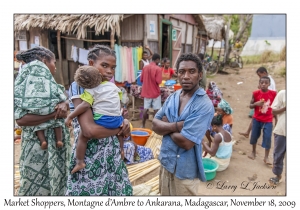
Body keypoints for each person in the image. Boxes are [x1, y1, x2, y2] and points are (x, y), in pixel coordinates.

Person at [66, 44, 132, 196]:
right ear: (91, 64)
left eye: (113, 67)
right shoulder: (79, 86)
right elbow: (89, 131)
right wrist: (119, 128)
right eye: (104, 65)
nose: (109, 71)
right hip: (90, 154)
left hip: (111, 151)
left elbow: (117, 112)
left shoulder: (109, 86)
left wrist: (125, 122)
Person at [152, 53, 214, 195]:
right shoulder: (173, 96)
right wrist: (178, 126)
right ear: (177, 74)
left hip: (185, 171)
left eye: (191, 71)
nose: (186, 76)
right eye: (182, 71)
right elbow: (155, 125)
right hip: (166, 163)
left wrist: (167, 126)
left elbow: (186, 142)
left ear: (200, 75)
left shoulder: (203, 105)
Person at [14, 46, 71, 195]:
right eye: (54, 63)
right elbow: (21, 120)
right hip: (36, 147)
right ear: (45, 62)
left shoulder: (50, 85)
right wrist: (53, 115)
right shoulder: (23, 86)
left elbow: (63, 99)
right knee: (35, 188)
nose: (56, 68)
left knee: (58, 186)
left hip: (56, 145)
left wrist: (64, 104)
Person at [65, 66, 125, 174]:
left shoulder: (90, 91)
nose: (109, 70)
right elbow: (119, 98)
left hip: (103, 120)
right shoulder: (112, 85)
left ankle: (80, 162)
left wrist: (70, 116)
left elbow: (85, 106)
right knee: (121, 130)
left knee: (83, 136)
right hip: (118, 120)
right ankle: (121, 148)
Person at [239, 67, 276, 138]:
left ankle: (252, 134)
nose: (259, 77)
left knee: (259, 119)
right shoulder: (268, 80)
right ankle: (248, 132)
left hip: (265, 103)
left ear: (264, 73)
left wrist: (260, 89)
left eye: (260, 75)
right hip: (265, 102)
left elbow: (268, 92)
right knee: (255, 117)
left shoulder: (268, 81)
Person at [248, 76, 277, 165]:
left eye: (266, 83)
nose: (263, 84)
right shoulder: (255, 93)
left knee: (268, 138)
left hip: (268, 120)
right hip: (257, 119)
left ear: (269, 84)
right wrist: (256, 104)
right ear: (259, 84)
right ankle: (253, 152)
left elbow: (275, 106)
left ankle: (266, 157)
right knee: (254, 136)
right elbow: (250, 105)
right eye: (262, 83)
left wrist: (276, 119)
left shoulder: (273, 94)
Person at [140, 53, 162, 128]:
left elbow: (141, 79)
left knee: (145, 109)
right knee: (156, 110)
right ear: (157, 60)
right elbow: (158, 81)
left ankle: (142, 125)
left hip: (146, 91)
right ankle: (155, 126)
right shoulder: (158, 69)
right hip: (155, 92)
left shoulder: (145, 67)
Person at [269, 90, 286, 186]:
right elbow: (273, 110)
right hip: (281, 130)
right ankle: (278, 176)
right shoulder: (283, 93)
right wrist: (285, 108)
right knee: (278, 154)